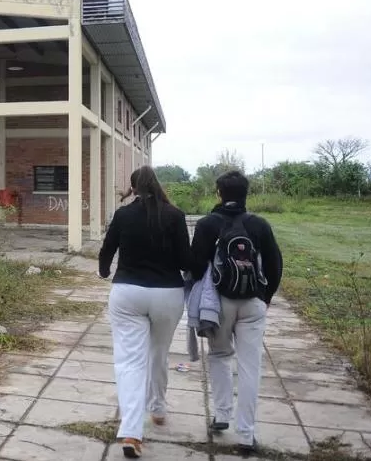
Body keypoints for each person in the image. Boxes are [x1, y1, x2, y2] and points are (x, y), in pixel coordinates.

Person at [99, 166, 192, 458]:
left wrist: (104, 271)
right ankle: (159, 409)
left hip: (128, 293)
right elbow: (185, 259)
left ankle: (131, 433)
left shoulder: (124, 214)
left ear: (133, 188)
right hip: (167, 294)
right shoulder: (175, 216)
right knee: (158, 353)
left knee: (129, 362)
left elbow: (107, 249)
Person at [189, 170, 284, 455]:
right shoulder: (259, 224)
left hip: (218, 303)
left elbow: (194, 265)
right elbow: (275, 265)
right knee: (250, 366)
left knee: (219, 356)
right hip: (253, 301)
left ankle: (221, 415)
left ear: (219, 193)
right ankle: (246, 434)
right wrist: (265, 298)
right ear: (246, 194)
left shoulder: (207, 224)